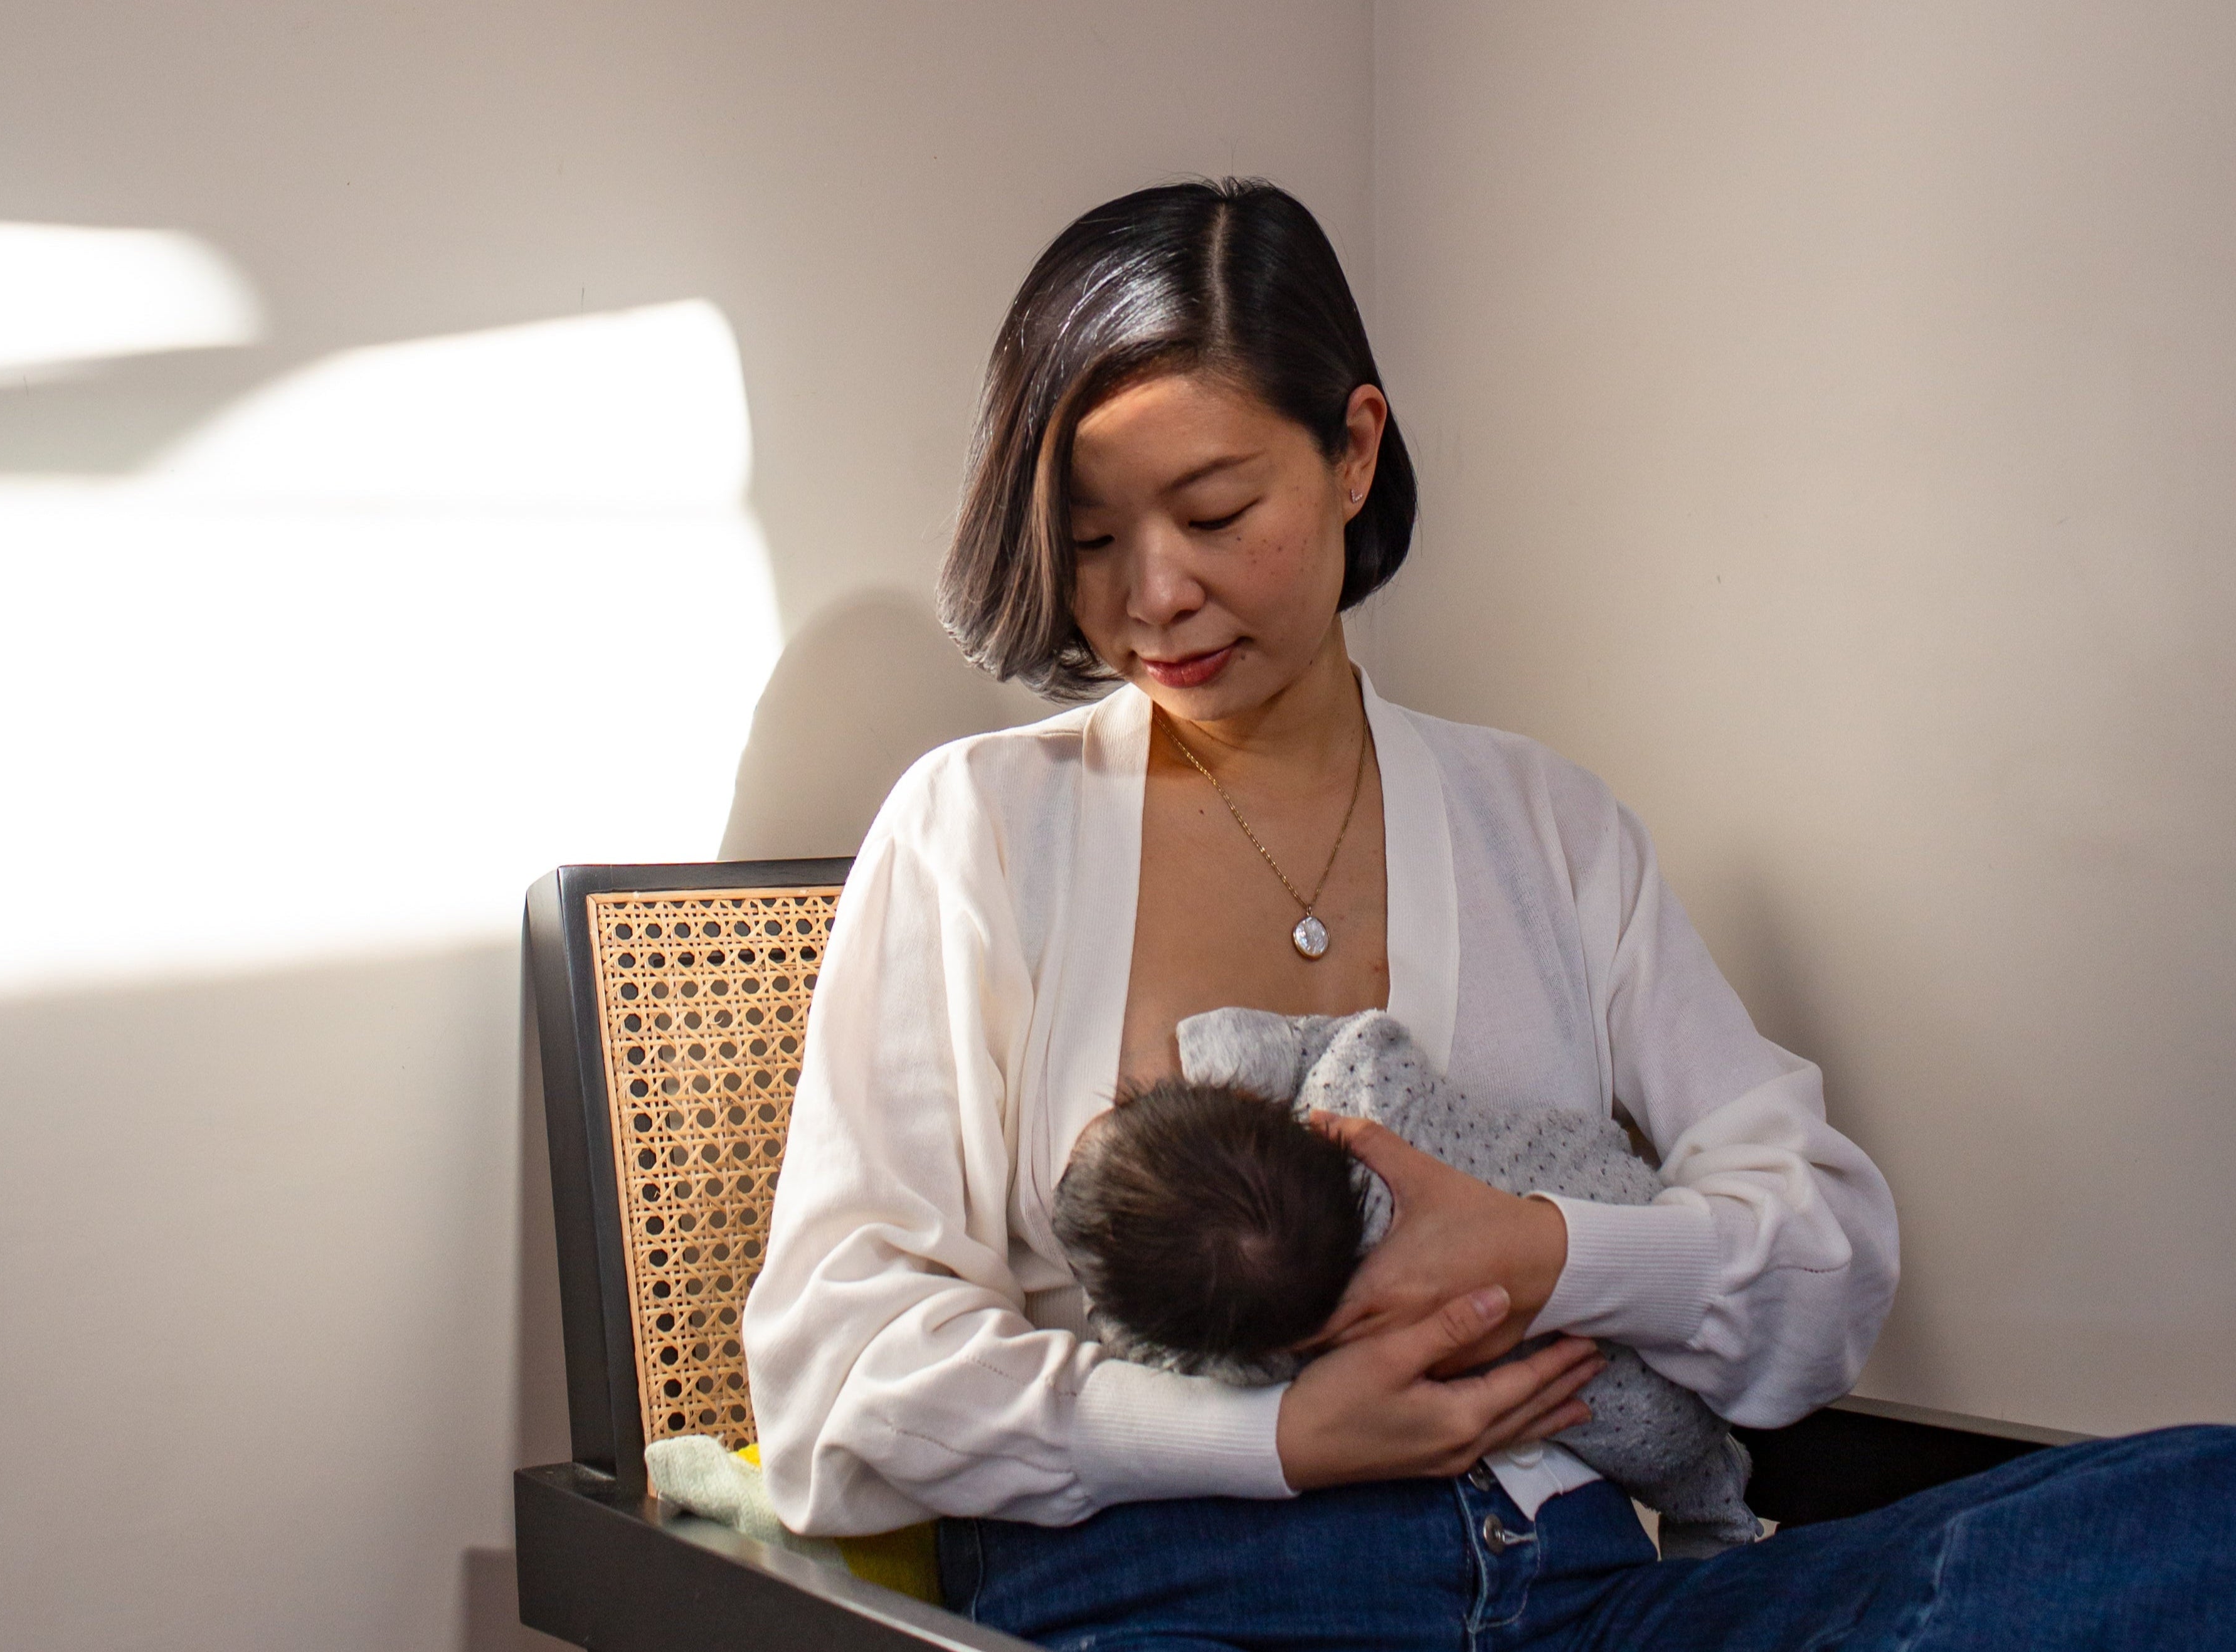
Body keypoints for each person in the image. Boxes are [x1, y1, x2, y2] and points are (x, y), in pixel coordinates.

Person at [745, 178, 2236, 1650]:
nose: (1154, 595)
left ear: (1351, 450)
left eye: (1213, 512)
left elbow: (1820, 1266)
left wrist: (1544, 1254)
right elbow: (837, 1376)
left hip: (1588, 1602)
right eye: (1087, 541)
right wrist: (1271, 1439)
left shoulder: (1542, 824)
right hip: (1179, 1603)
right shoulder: (979, 830)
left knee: (2197, 1513)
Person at [1051, 1007, 1761, 1559]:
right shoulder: (1365, 1082)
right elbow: (1338, 1035)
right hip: (1635, 1214)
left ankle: (1718, 1521)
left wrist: (1112, 1309)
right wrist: (1212, 1057)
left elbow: (1165, 1361)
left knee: (1679, 1463)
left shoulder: (1284, 1354)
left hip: (1637, 1421)